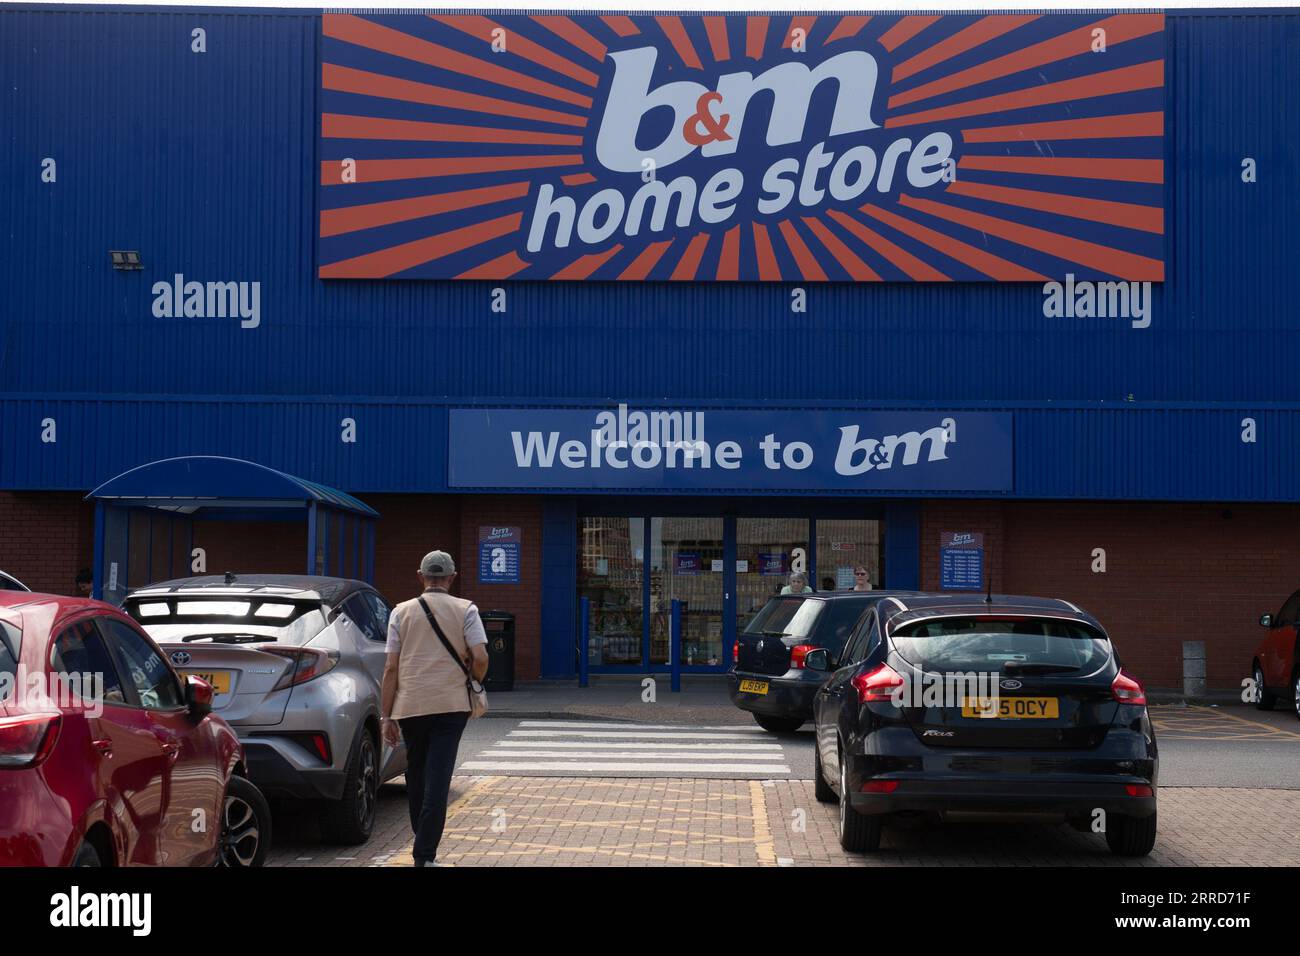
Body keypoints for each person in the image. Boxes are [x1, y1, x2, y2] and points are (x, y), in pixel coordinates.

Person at [380, 550, 489, 867]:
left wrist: (387, 716)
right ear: (452, 578)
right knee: (438, 778)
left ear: (420, 576)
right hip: (451, 703)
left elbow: (390, 668)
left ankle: (422, 841)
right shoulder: (466, 609)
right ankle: (424, 856)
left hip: (411, 703)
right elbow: (480, 656)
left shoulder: (400, 613)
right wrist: (474, 679)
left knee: (416, 773)